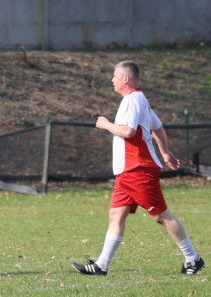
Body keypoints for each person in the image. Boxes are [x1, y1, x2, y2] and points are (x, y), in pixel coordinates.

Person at [73, 60, 203, 277]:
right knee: (116, 214)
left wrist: (105, 124)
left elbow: (128, 131)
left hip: (138, 168)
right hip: (127, 171)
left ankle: (193, 258)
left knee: (160, 215)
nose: (112, 80)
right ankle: (101, 266)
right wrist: (165, 153)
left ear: (126, 79)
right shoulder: (139, 100)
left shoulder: (133, 100)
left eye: (115, 76)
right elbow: (158, 128)